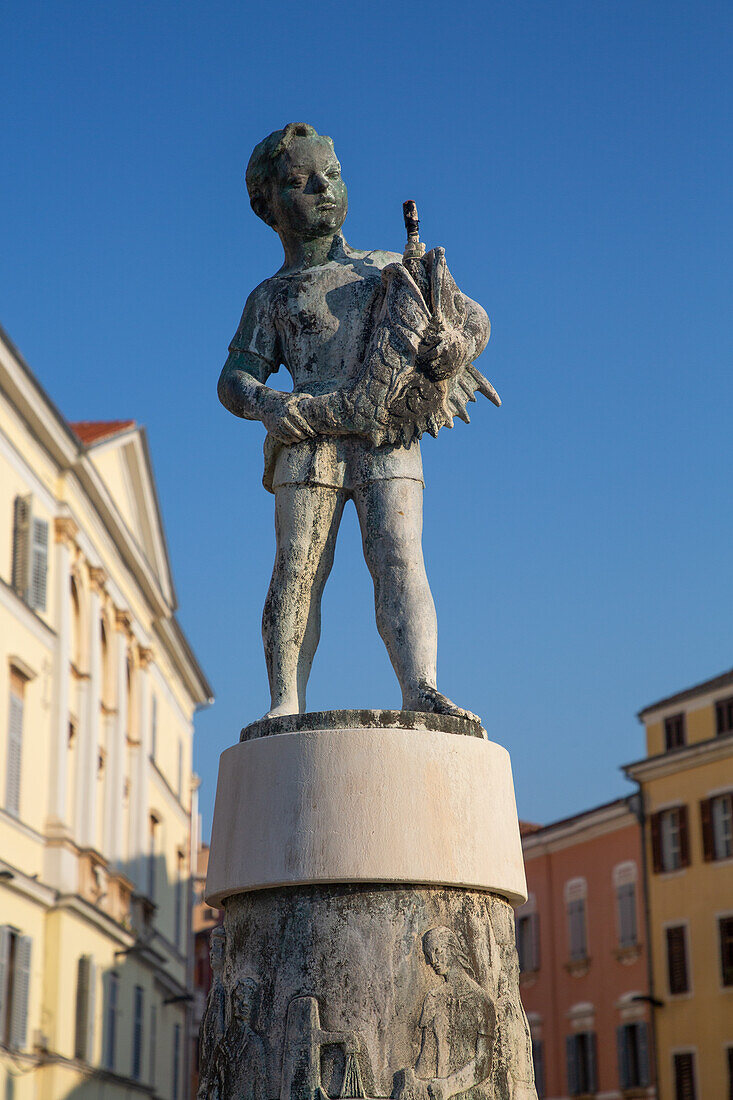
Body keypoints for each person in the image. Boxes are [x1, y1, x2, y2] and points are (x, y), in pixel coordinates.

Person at [218, 123, 490, 720]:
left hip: (388, 431)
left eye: (332, 175)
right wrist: (272, 405)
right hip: (307, 435)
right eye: (301, 180)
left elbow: (473, 321)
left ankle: (421, 686)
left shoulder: (390, 267)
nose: (323, 188)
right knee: (297, 567)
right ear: (269, 205)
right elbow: (234, 380)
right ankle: (283, 703)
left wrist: (452, 347)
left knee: (399, 555)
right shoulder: (272, 296)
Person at [412, 927, 495, 1100]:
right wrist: (412, 1080)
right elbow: (425, 1058)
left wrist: (449, 1086)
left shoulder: (481, 1000)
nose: (432, 960)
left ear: (452, 949)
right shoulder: (433, 997)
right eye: (428, 955)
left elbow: (484, 1062)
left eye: (437, 951)